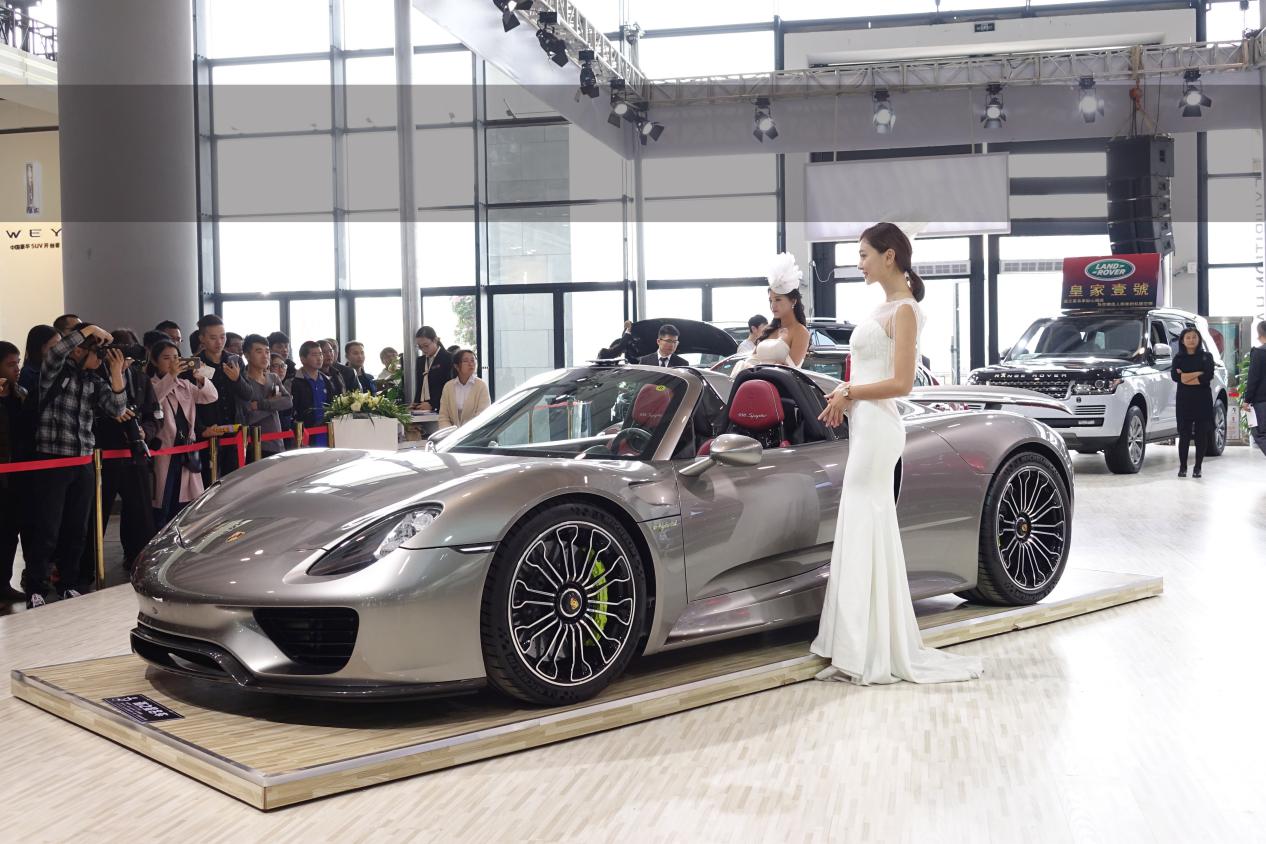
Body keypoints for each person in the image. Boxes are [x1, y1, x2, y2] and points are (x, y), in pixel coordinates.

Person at [813, 222, 983, 685]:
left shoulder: (905, 310)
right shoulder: (883, 307)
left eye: (864, 255)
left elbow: (903, 383)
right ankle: (859, 644)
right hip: (865, 424)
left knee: (865, 520)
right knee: (862, 522)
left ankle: (865, 649)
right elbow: (870, 373)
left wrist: (849, 391)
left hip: (880, 426)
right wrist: (845, 395)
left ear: (889, 256)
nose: (859, 263)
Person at [21, 324, 128, 608]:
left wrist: (116, 372)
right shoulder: (54, 372)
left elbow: (117, 409)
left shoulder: (95, 381)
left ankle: (68, 583)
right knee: (47, 528)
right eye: (97, 352)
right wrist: (90, 329)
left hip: (83, 462)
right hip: (52, 460)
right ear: (79, 351)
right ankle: (36, 587)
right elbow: (57, 351)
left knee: (77, 528)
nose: (101, 358)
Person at [77, 328, 159, 577]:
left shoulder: (140, 378)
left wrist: (146, 431)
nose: (125, 360)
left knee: (141, 515)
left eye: (129, 355)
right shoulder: (95, 375)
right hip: (103, 456)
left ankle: (139, 562)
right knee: (95, 515)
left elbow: (155, 414)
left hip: (135, 454)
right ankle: (85, 570)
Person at [149, 340, 218, 526]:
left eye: (176, 358)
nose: (173, 362)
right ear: (155, 361)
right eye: (166, 358)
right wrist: (171, 376)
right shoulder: (151, 384)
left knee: (185, 502)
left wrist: (201, 378)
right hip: (165, 450)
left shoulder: (185, 384)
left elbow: (210, 396)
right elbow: (152, 400)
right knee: (163, 501)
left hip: (186, 450)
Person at [194, 314, 251, 479]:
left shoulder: (234, 361)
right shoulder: (196, 364)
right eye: (213, 338)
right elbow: (189, 403)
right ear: (202, 338)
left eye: (223, 336)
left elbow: (248, 394)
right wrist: (201, 429)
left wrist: (237, 379)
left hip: (235, 430)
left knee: (234, 479)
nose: (219, 342)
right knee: (209, 479)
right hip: (209, 431)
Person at [237, 334, 292, 457]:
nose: (265, 356)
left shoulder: (273, 377)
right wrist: (274, 404)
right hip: (255, 446)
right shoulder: (243, 382)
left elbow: (288, 401)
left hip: (278, 442)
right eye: (259, 351)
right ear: (246, 355)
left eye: (267, 352)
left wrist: (261, 404)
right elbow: (248, 418)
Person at [0, 341, 26, 601]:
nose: (17, 368)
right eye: (10, 364)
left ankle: (3, 583)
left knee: (10, 533)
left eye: (17, 362)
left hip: (17, 475)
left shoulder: (21, 395)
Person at [1172, 327, 1216, 478]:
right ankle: (1183, 467)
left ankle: (1198, 467)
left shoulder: (1206, 357)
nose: (1191, 340)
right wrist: (1197, 373)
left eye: (1194, 337)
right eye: (1188, 337)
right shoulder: (1178, 358)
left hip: (1202, 400)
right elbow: (1176, 378)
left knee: (1201, 434)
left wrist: (1185, 376)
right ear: (1182, 341)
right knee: (1183, 434)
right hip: (1184, 400)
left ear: (1199, 339)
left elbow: (1207, 376)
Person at [756, 252, 811, 367]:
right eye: (770, 300)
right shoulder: (768, 329)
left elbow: (790, 369)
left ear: (793, 301)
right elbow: (753, 359)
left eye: (778, 299)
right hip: (755, 377)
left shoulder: (800, 332)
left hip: (777, 379)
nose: (773, 305)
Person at [291, 341, 335, 447]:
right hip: (305, 433)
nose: (319, 358)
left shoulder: (326, 380)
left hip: (326, 432)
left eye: (320, 354)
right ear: (303, 359)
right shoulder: (294, 381)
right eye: (314, 355)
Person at [437, 349, 491, 428]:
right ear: (456, 366)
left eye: (473, 360)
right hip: (451, 433)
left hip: (475, 432)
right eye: (465, 361)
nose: (471, 364)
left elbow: (482, 415)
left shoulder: (481, 385)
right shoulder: (448, 386)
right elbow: (443, 416)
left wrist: (466, 433)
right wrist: (450, 433)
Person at [413, 326, 453, 411]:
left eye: (426, 345)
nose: (423, 350)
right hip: (423, 408)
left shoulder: (448, 358)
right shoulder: (420, 361)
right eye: (420, 347)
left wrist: (433, 404)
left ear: (435, 340)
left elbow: (449, 386)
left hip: (442, 407)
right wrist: (416, 404)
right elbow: (420, 385)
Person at [1245, 319, 1266, 458]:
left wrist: (1247, 400)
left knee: (1259, 433)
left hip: (1262, 400)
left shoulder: (1258, 353)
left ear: (1260, 333)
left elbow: (1253, 378)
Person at [20, 324, 58, 395]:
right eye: (55, 347)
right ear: (42, 347)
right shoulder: (28, 374)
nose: (60, 350)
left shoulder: (58, 367)